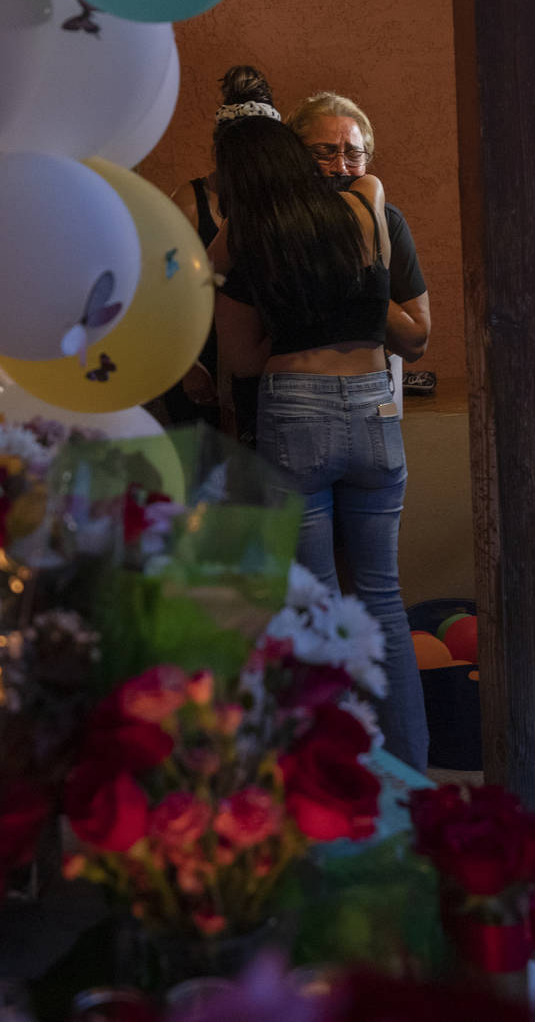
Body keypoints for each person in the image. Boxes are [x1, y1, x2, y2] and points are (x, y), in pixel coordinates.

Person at [210, 114, 429, 771]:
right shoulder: (367, 205)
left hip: (296, 407)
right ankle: (412, 768)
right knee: (383, 598)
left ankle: (343, 775)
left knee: (317, 604)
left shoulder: (246, 241)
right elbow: (386, 307)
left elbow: (243, 360)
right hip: (372, 404)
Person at [162, 65, 279, 436]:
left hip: (267, 362)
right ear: (219, 149)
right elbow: (162, 290)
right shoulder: (188, 203)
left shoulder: (281, 203)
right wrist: (185, 367)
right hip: (203, 364)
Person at [285, 92, 432, 381]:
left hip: (370, 393)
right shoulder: (274, 223)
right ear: (293, 156)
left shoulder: (388, 222)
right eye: (323, 153)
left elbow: (416, 341)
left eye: (353, 154)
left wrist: (349, 265)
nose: (340, 167)